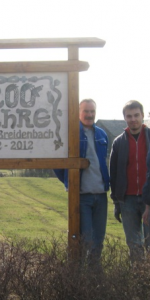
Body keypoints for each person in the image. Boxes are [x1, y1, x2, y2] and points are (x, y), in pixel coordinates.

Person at [54, 99, 110, 266]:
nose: (89, 115)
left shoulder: (102, 134)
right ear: (78, 112)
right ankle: (81, 279)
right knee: (86, 240)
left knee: (99, 240)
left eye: (92, 111)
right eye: (86, 111)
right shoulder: (70, 133)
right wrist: (68, 182)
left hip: (101, 195)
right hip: (81, 196)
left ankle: (94, 278)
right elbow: (58, 164)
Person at [110, 100, 150, 261]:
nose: (133, 119)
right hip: (127, 199)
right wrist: (116, 202)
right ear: (124, 118)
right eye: (129, 116)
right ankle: (137, 282)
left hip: (149, 200)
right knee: (134, 245)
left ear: (142, 115)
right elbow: (113, 174)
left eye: (136, 115)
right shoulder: (119, 142)